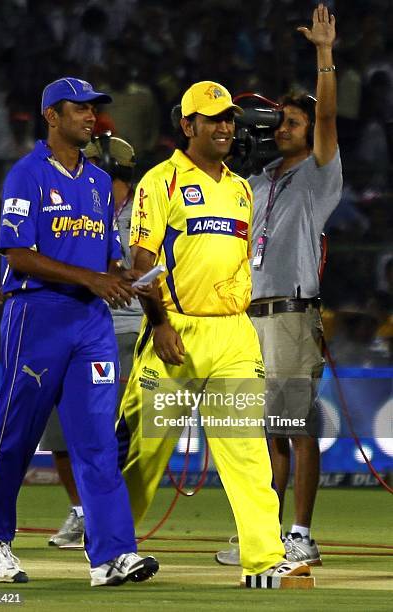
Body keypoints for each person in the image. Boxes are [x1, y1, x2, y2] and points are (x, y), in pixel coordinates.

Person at [118, 79, 311, 587]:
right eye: (213, 119)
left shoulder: (241, 188)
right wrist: (159, 324)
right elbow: (141, 262)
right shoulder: (160, 182)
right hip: (174, 336)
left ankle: (264, 561)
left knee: (247, 449)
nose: (226, 127)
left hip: (231, 336)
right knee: (145, 453)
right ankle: (112, 549)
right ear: (188, 126)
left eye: (229, 118)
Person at [0, 77, 159, 587]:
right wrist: (93, 279)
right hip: (38, 317)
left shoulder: (98, 182)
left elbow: (106, 258)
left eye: (94, 110)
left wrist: (124, 278)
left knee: (97, 440)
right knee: (15, 435)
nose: (91, 117)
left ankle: (111, 556)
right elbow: (17, 254)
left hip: (92, 323)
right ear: (52, 115)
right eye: (80, 109)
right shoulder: (25, 175)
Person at [216, 4, 342, 567]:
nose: (279, 129)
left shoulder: (319, 176)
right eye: (279, 123)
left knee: (296, 426)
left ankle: (300, 533)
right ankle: (264, 532)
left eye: (289, 123)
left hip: (292, 314)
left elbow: (326, 124)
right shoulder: (257, 180)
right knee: (264, 433)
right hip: (249, 317)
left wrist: (323, 55)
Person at [42, 135, 143, 548]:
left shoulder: (146, 212)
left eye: (106, 172)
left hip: (127, 331)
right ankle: (81, 512)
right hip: (74, 323)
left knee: (113, 433)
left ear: (123, 179)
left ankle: (113, 516)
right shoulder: (72, 204)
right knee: (59, 431)